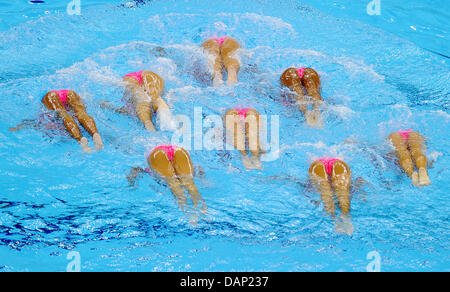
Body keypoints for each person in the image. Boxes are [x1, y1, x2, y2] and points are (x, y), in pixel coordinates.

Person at [10, 90, 103, 153]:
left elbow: (31, 122)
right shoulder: (78, 97)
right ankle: (95, 134)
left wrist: (18, 126)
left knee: (64, 115)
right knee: (82, 113)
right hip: (70, 92)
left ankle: (80, 140)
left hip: (49, 95)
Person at [127, 145, 206, 212]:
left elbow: (135, 169)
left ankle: (188, 214)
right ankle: (204, 210)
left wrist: (131, 182)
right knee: (189, 183)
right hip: (177, 149)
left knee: (173, 184)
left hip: (156, 153)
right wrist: (203, 179)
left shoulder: (148, 164)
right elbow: (199, 168)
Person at [101, 71, 175, 131]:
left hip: (149, 76)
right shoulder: (133, 109)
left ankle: (151, 124)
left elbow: (121, 110)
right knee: (149, 98)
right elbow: (121, 110)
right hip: (132, 79)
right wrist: (108, 106)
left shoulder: (134, 109)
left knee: (154, 98)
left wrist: (109, 106)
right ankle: (150, 125)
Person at [309, 157, 353, 235]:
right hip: (339, 163)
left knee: (325, 193)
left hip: (316, 165)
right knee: (343, 194)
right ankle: (346, 218)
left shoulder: (311, 156)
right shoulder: (342, 154)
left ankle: (333, 219)